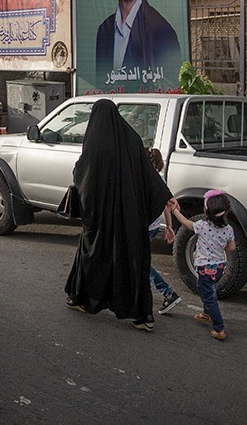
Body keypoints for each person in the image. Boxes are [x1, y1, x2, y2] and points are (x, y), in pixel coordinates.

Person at [64, 99, 173, 331]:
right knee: (134, 263)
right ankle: (144, 316)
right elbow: (149, 174)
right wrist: (166, 195)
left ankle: (82, 299)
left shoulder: (94, 144)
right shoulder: (132, 139)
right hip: (129, 218)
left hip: (101, 220)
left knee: (92, 257)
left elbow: (82, 179)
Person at [167, 191, 236, 340]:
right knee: (204, 288)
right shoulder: (228, 230)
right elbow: (231, 248)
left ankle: (219, 328)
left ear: (206, 211)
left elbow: (186, 223)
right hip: (219, 268)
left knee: (209, 296)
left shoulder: (203, 226)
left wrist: (175, 211)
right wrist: (219, 244)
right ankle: (206, 314)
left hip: (205, 268)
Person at [146, 148, 182, 315]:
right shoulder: (160, 179)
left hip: (144, 228)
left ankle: (168, 293)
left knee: (141, 262)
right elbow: (166, 204)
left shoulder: (143, 179)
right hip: (153, 227)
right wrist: (168, 226)